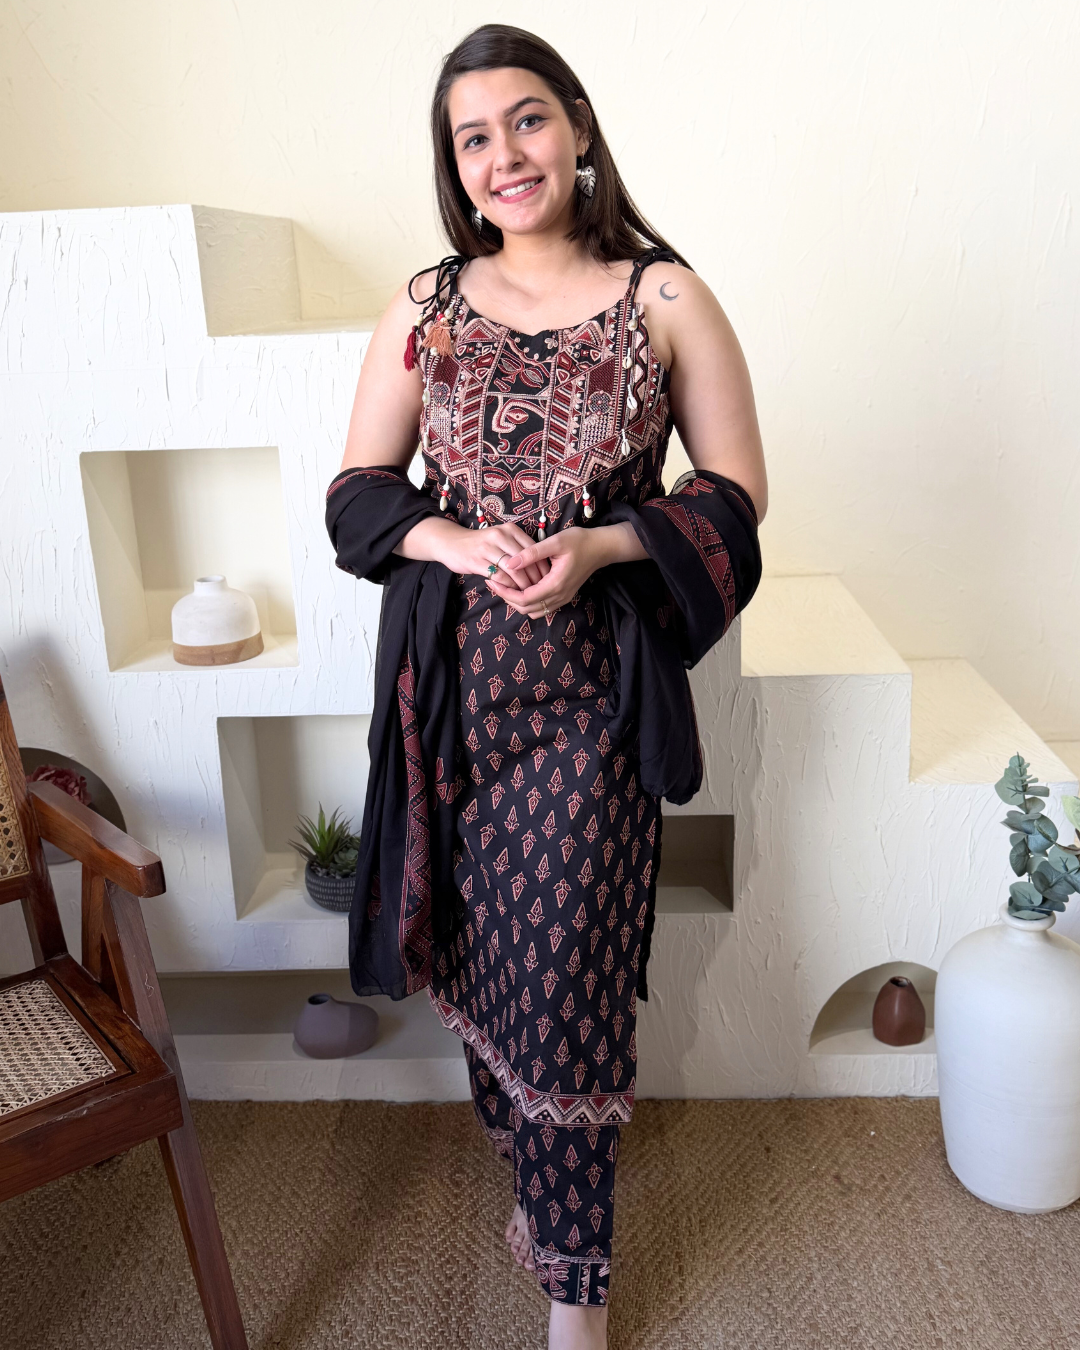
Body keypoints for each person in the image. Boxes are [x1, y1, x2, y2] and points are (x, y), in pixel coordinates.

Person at [325, 23, 766, 1350]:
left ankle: (578, 1294)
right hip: (449, 703)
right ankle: (537, 1182)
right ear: (454, 166)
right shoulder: (425, 307)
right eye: (474, 137)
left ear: (575, 124)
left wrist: (602, 547)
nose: (504, 155)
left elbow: (736, 498)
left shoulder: (665, 298)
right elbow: (357, 496)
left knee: (568, 973)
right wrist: (453, 539)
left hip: (594, 706)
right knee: (486, 957)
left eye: (525, 119)